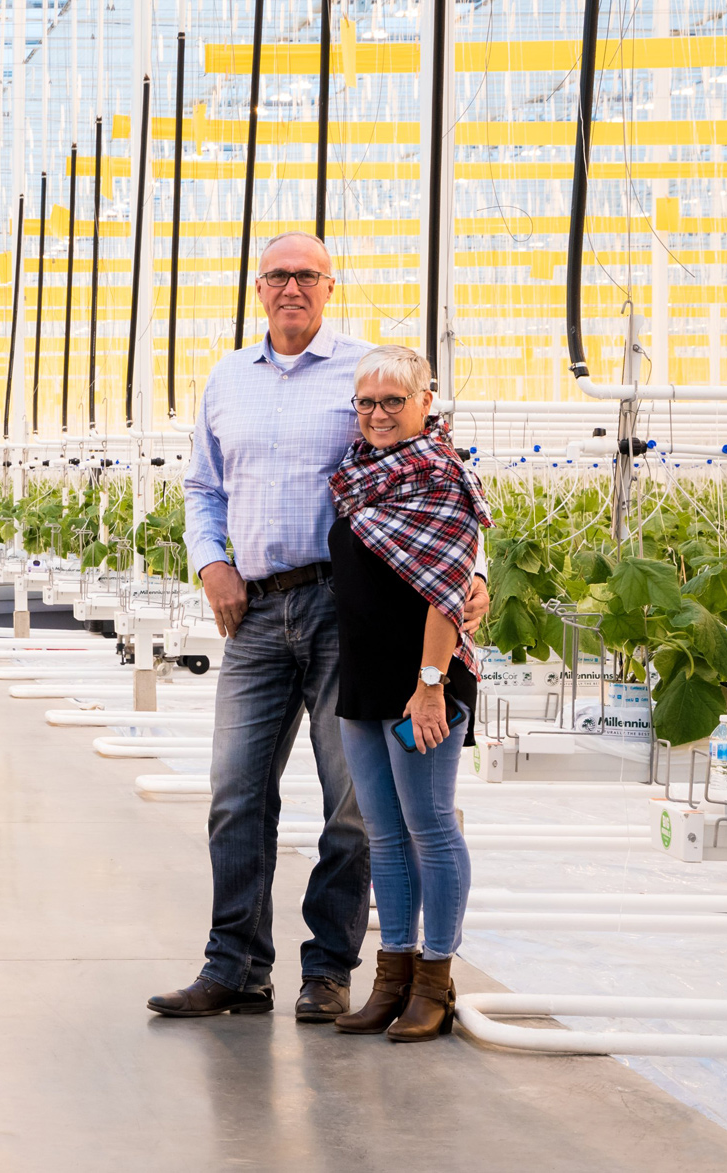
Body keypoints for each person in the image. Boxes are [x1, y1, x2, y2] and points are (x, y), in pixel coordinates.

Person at [147, 232, 488, 1024]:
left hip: (350, 612)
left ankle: (330, 969)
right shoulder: (229, 377)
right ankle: (233, 965)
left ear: (331, 286)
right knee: (236, 793)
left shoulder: (371, 372)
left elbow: (450, 479)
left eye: (306, 275)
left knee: (353, 807)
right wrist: (211, 564)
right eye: (276, 276)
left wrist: (477, 573)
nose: (290, 287)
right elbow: (202, 486)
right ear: (257, 288)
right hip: (255, 608)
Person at [327, 347, 487, 1041]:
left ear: (427, 400)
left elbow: (448, 588)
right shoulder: (360, 475)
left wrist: (429, 688)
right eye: (366, 401)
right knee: (384, 835)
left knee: (429, 828)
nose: (378, 413)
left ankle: (435, 980)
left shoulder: (443, 476)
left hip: (424, 674)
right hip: (363, 672)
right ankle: (390, 977)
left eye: (394, 400)